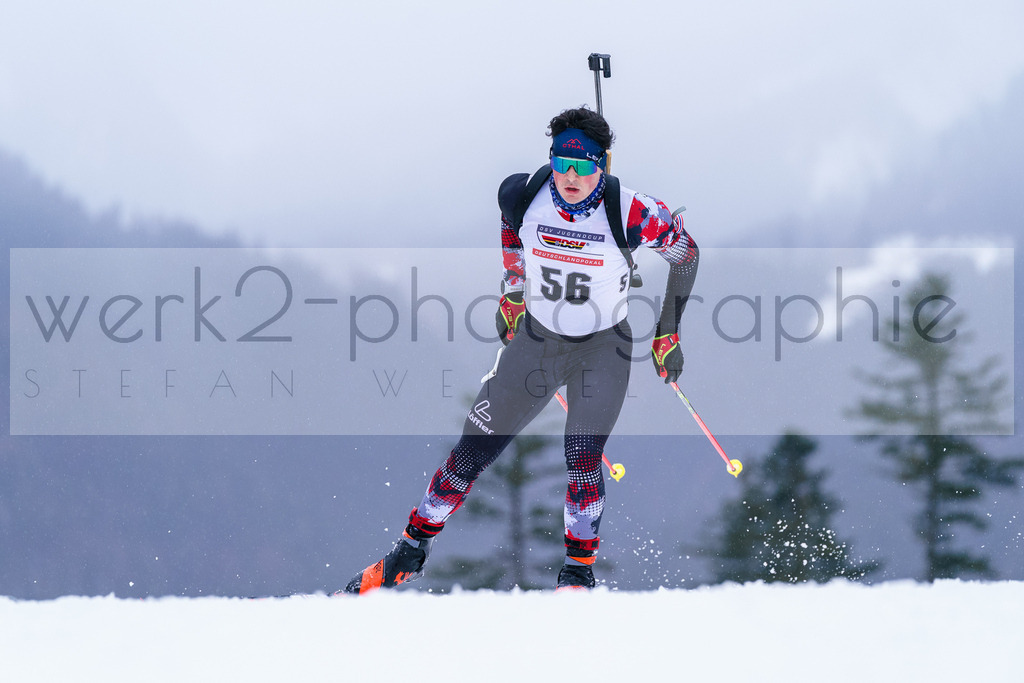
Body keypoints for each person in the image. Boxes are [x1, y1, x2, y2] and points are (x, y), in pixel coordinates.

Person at [343, 106, 699, 593]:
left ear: (604, 164)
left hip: (603, 348)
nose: (572, 177)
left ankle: (577, 573)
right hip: (537, 342)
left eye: (585, 165)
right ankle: (411, 547)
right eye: (562, 163)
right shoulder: (522, 194)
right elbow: (512, 233)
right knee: (472, 451)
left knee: (581, 454)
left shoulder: (635, 212)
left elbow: (686, 254)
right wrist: (513, 291)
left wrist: (668, 331)